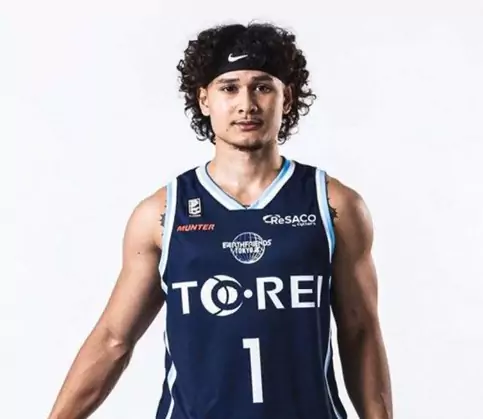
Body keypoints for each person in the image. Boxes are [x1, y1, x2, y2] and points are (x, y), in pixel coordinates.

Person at [47, 21, 393, 419]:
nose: (247, 104)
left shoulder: (332, 204)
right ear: (204, 99)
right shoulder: (162, 214)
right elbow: (113, 340)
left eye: (262, 87)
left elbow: (360, 332)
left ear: (287, 97)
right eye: (229, 88)